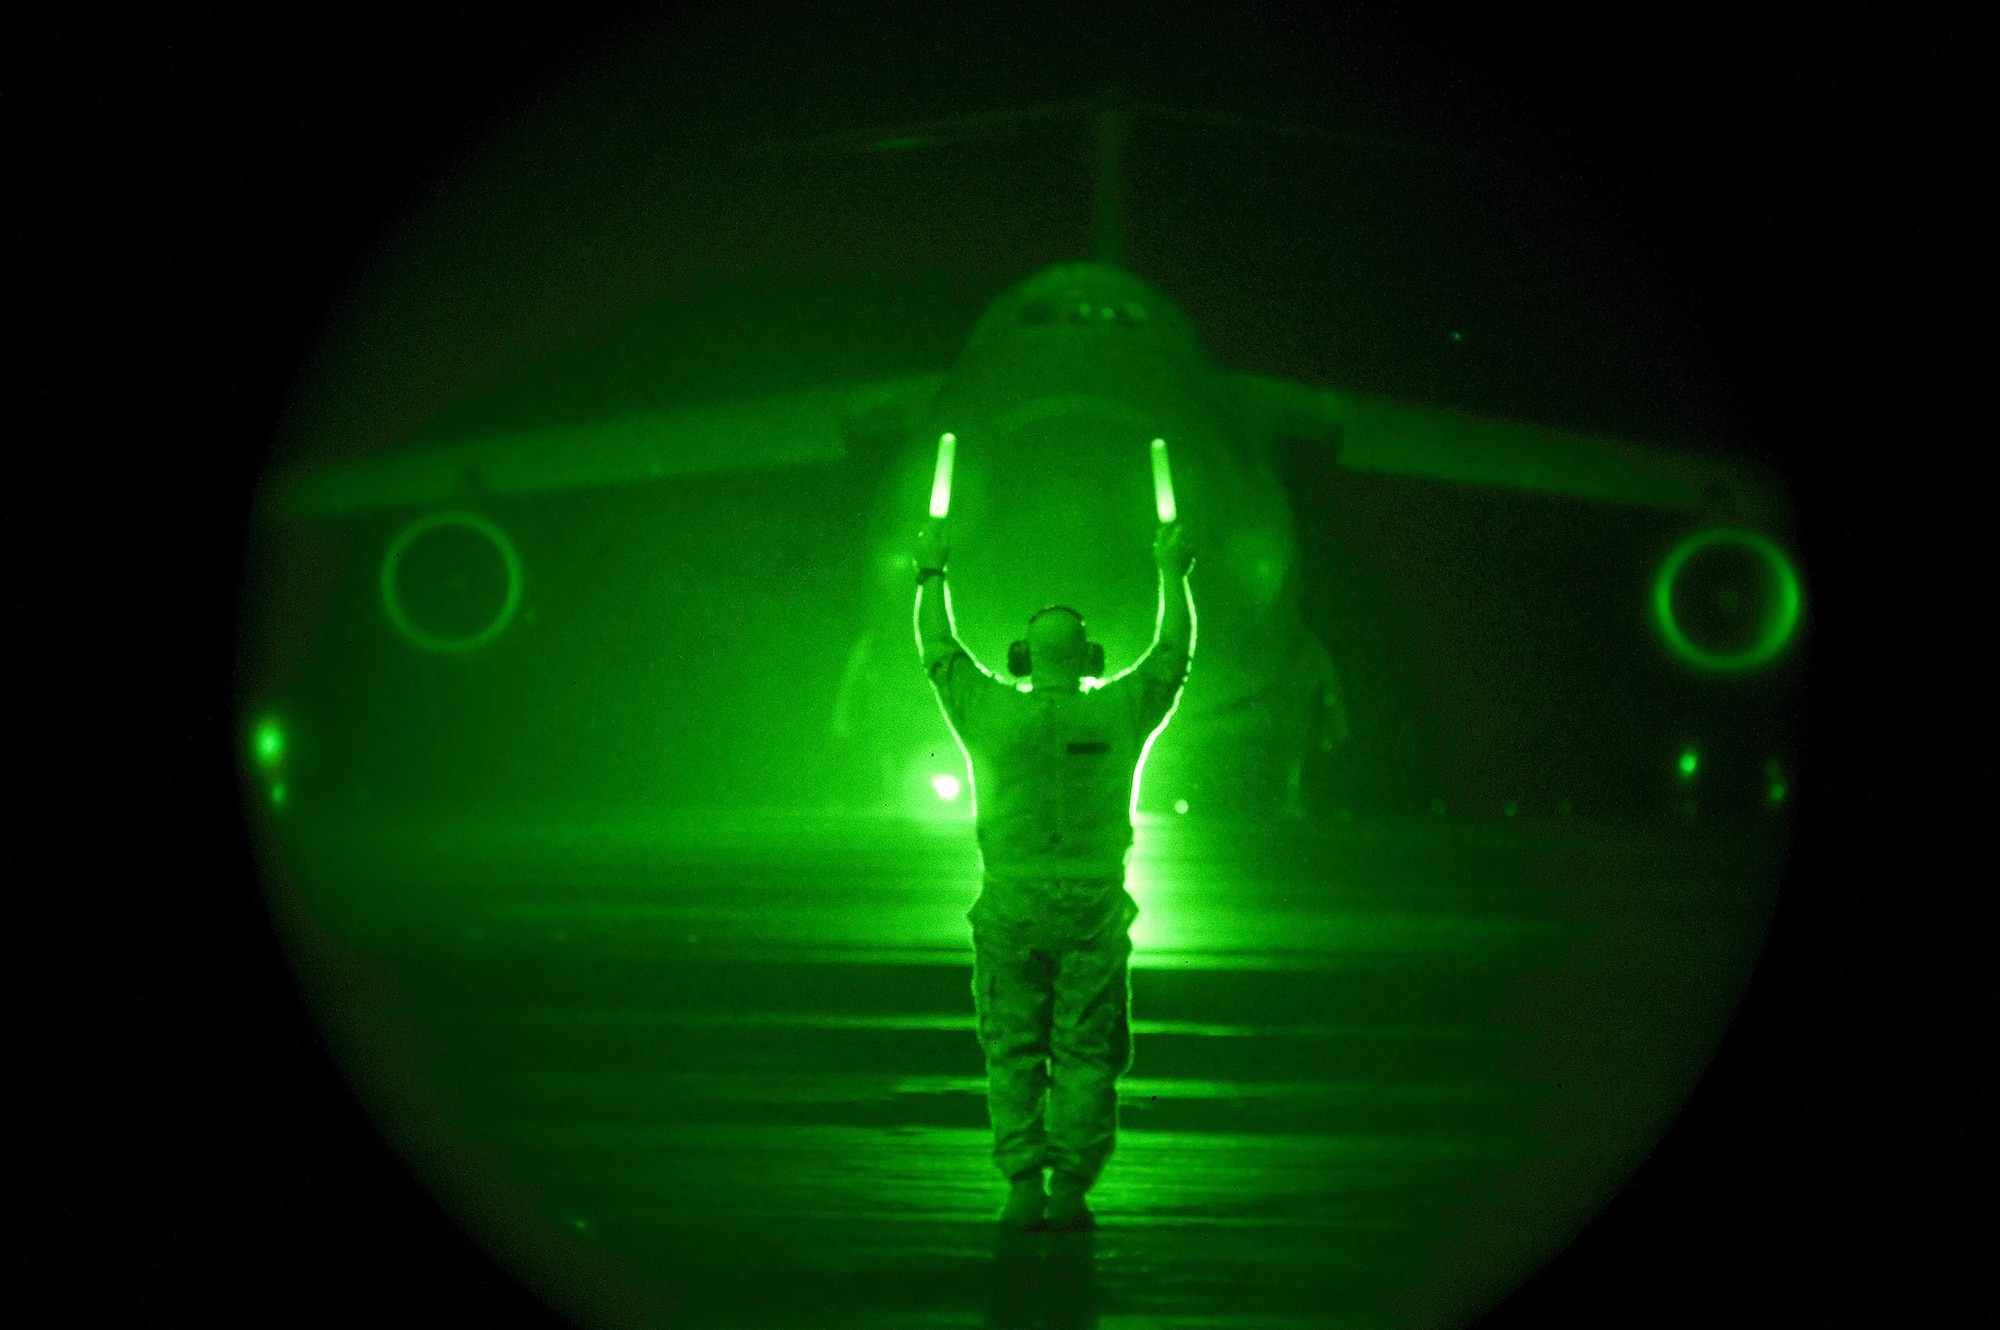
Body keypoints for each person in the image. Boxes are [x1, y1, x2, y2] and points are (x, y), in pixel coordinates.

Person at [913, 515, 1195, 1231]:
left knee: (1010, 1049)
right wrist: (1173, 574)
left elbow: (939, 653)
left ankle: (1022, 1185)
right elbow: (1172, 656)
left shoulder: (989, 715)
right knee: (1088, 1051)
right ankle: (1071, 1185)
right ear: (1091, 655)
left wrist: (931, 574)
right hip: (1094, 900)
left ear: (1020, 657)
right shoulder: (1122, 710)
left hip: (1012, 899)